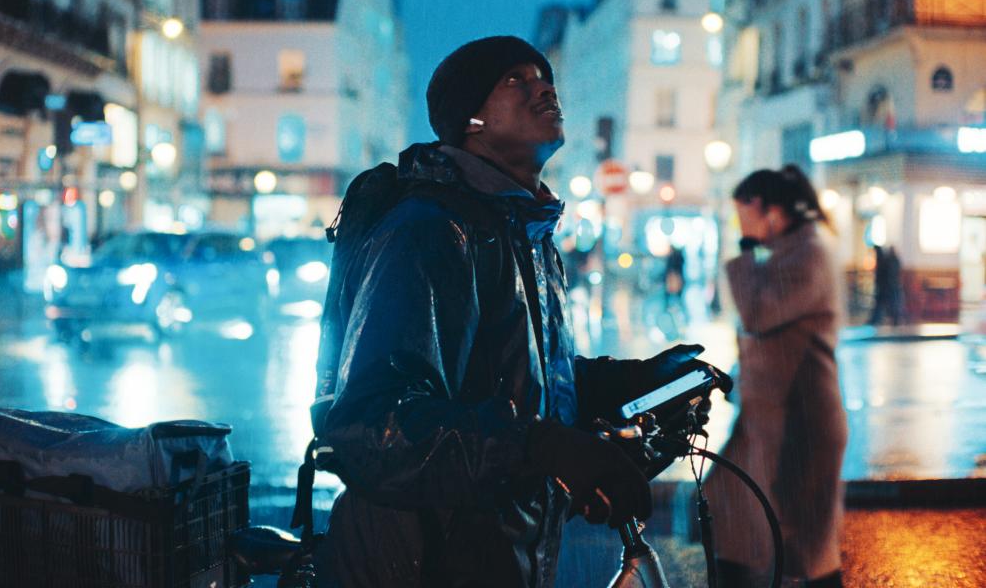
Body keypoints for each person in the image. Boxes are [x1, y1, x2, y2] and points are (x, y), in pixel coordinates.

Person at [311, 36, 698, 587]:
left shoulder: (522, 230)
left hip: (493, 555)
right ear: (469, 120)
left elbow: (513, 381)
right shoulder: (432, 230)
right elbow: (374, 425)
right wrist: (540, 446)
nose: (544, 88)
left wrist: (630, 383)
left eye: (545, 78)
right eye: (516, 80)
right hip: (419, 563)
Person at [704, 166, 848, 588]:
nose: (741, 226)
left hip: (802, 422)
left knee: (808, 546)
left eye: (743, 215)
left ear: (768, 210)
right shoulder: (790, 251)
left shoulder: (810, 252)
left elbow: (759, 314)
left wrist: (747, 250)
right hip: (770, 421)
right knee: (734, 515)